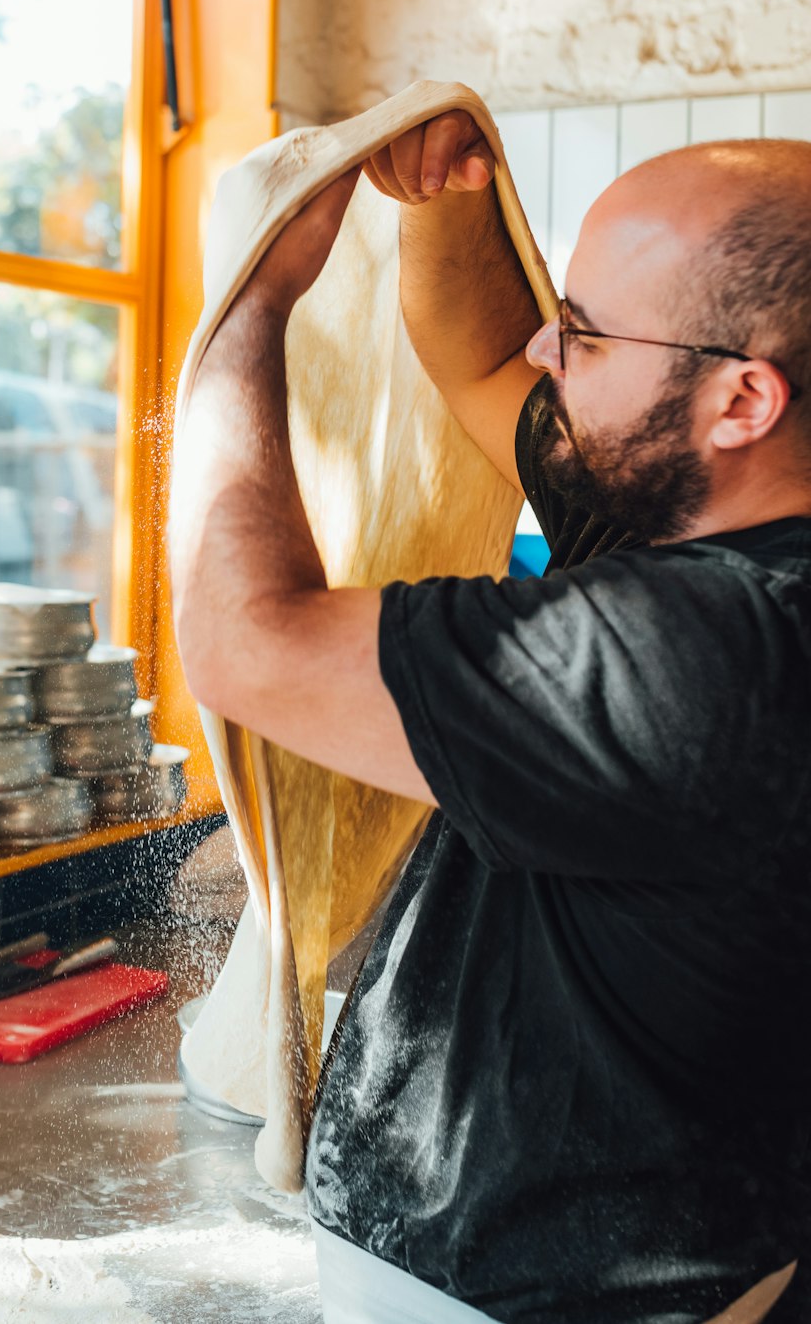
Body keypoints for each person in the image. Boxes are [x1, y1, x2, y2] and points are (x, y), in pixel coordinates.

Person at [169, 109, 811, 1322]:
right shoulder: (698, 521)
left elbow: (245, 642)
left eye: (581, 330)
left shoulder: (706, 656)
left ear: (740, 401)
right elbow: (477, 364)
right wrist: (447, 190)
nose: (542, 345)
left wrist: (246, 307)